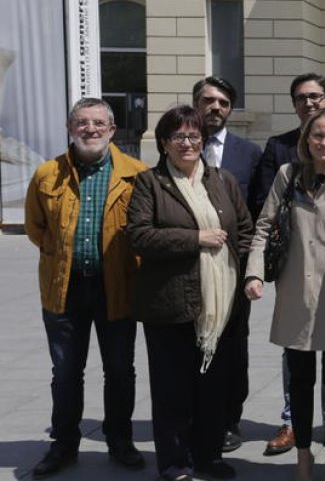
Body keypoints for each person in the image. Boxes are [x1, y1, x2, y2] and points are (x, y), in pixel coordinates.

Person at [126, 105, 254, 481]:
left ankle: (207, 456)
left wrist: (243, 274)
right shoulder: (150, 183)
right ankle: (175, 463)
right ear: (164, 143)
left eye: (194, 136)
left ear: (203, 140)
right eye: (178, 136)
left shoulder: (222, 180)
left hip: (221, 303)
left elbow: (244, 230)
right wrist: (196, 238)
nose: (187, 143)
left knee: (213, 388)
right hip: (170, 303)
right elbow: (139, 235)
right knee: (172, 391)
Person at [24, 98, 148, 478]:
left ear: (112, 130)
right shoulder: (47, 174)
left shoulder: (137, 174)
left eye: (98, 123)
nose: (90, 129)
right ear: (69, 128)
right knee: (65, 372)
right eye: (82, 122)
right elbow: (35, 227)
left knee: (120, 370)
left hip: (117, 287)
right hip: (65, 288)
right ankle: (64, 445)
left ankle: (120, 440)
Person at [249, 72, 325, 456]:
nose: (324, 143)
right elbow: (264, 225)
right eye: (318, 136)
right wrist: (254, 273)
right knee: (299, 374)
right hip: (296, 289)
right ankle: (298, 444)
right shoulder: (288, 174)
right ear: (306, 139)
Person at [193, 76, 263, 453]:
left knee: (234, 344)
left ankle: (230, 419)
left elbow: (258, 211)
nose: (215, 107)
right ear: (196, 105)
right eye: (208, 100)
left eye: (222, 102)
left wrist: (253, 264)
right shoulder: (180, 145)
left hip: (235, 266)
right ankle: (196, 415)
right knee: (194, 340)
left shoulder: (249, 153)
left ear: (230, 109)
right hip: (191, 264)